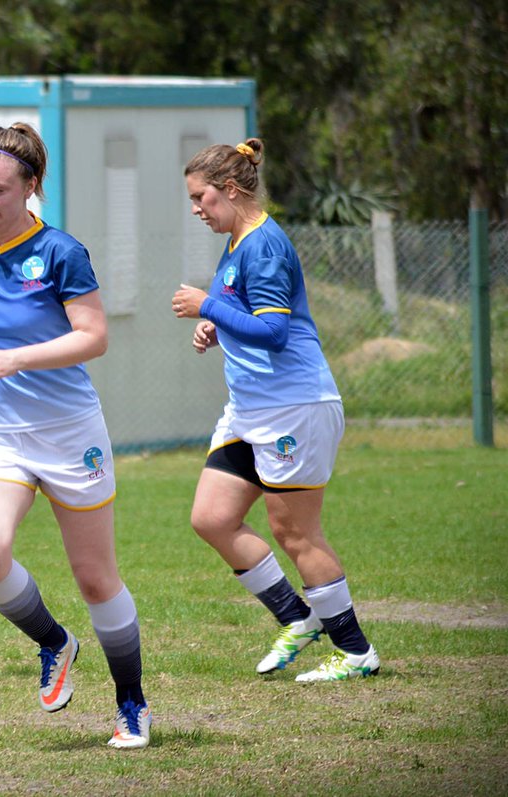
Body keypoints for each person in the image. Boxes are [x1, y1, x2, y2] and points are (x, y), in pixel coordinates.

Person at [0, 123, 151, 750]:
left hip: (70, 433)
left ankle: (131, 703)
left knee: (96, 578)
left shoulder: (62, 253)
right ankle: (54, 642)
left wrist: (18, 357)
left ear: (31, 187)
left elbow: (92, 336)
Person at [172, 138, 380, 682]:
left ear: (231, 190)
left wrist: (206, 304)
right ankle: (296, 617)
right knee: (212, 518)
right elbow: (252, 316)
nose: (196, 209)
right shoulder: (239, 241)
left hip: (293, 408)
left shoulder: (263, 245)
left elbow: (274, 331)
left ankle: (357, 653)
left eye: (201, 198)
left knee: (296, 535)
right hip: (251, 409)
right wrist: (216, 327)